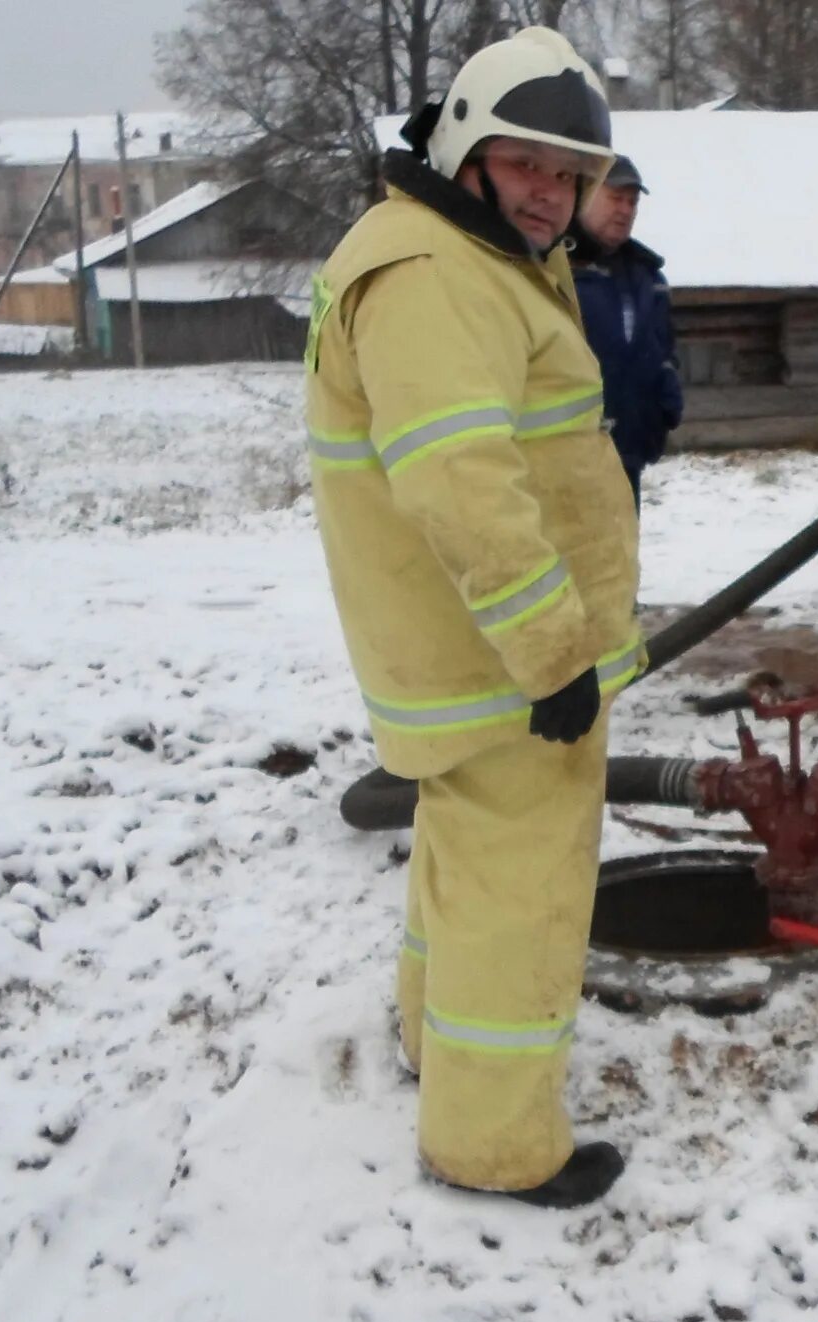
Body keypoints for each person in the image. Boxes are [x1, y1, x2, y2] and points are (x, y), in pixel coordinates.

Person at [302, 28, 641, 1208]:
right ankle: (494, 1144)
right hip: (502, 661)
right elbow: (462, 485)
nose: (552, 192)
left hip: (466, 655)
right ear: (464, 149)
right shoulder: (438, 272)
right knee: (522, 895)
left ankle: (434, 1045)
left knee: (462, 857)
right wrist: (553, 656)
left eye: (571, 171)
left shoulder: (453, 251)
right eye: (526, 163)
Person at [569, 154, 683, 501]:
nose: (625, 210)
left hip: (629, 451)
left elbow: (662, 351)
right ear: (584, 196)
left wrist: (666, 405)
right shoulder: (552, 268)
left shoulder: (647, 277)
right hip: (566, 457)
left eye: (632, 202)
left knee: (621, 553)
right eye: (616, 198)